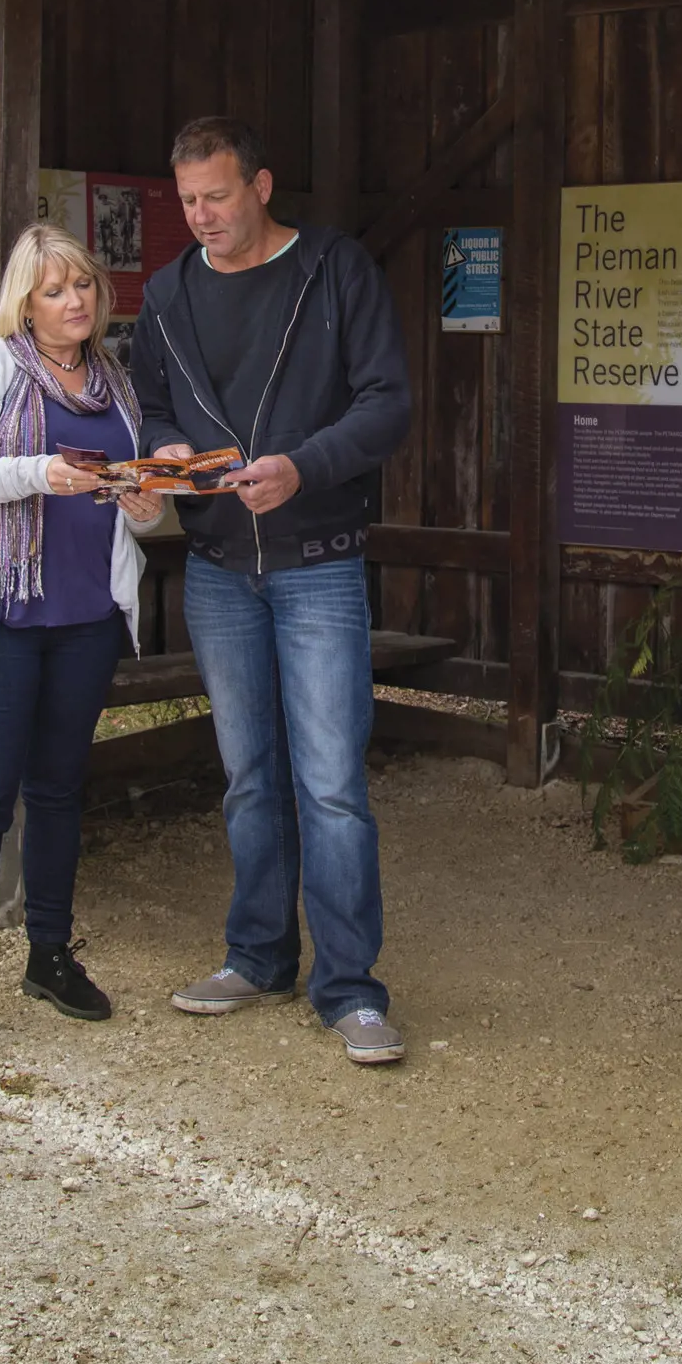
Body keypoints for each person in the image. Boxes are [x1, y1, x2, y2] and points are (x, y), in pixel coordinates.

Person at [129, 116, 414, 1064]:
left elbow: (387, 403)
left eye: (215, 196)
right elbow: (153, 401)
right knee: (250, 781)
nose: (200, 216)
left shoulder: (334, 271)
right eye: (187, 202)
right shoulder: (167, 292)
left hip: (319, 560)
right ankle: (256, 957)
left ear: (260, 185)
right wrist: (165, 449)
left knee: (330, 788)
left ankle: (350, 990)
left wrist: (305, 467)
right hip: (217, 572)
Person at [0, 223, 163, 1069]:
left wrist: (144, 506)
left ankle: (49, 959)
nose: (75, 302)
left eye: (85, 288)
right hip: (1, 617)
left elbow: (140, 501)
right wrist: (37, 471)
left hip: (86, 618)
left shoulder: (114, 384)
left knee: (60, 792)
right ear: (25, 302)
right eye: (56, 290)